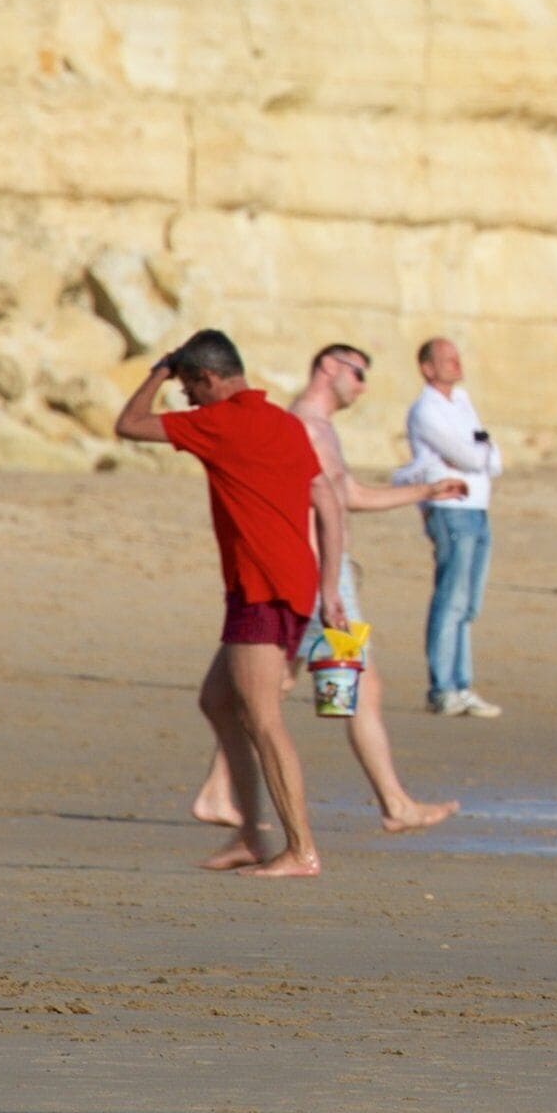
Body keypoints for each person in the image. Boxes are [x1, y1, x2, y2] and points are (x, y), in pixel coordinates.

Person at [187, 345, 461, 836]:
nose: (362, 386)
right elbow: (307, 502)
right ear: (329, 368)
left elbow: (348, 496)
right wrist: (329, 584)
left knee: (272, 685)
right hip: (316, 580)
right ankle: (396, 805)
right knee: (359, 687)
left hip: (324, 578)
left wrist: (426, 491)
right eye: (357, 374)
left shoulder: (322, 429)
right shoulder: (302, 426)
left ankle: (215, 792)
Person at [114, 329, 335, 876]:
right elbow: (324, 497)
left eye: (189, 387)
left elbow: (128, 425)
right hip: (286, 583)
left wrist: (159, 371)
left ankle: (301, 849)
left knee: (263, 719)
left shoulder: (220, 422)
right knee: (217, 699)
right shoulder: (285, 423)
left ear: (209, 379)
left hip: (263, 587)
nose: (186, 399)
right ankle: (249, 835)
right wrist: (330, 585)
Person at [401, 335, 504, 716]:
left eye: (456, 357)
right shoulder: (425, 410)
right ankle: (443, 687)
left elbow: (489, 455)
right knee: (452, 597)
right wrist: (479, 453)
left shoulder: (462, 402)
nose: (454, 363)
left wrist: (480, 453)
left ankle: (461, 683)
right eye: (446, 359)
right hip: (450, 509)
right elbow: (468, 454)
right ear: (427, 368)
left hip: (478, 506)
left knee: (469, 601)